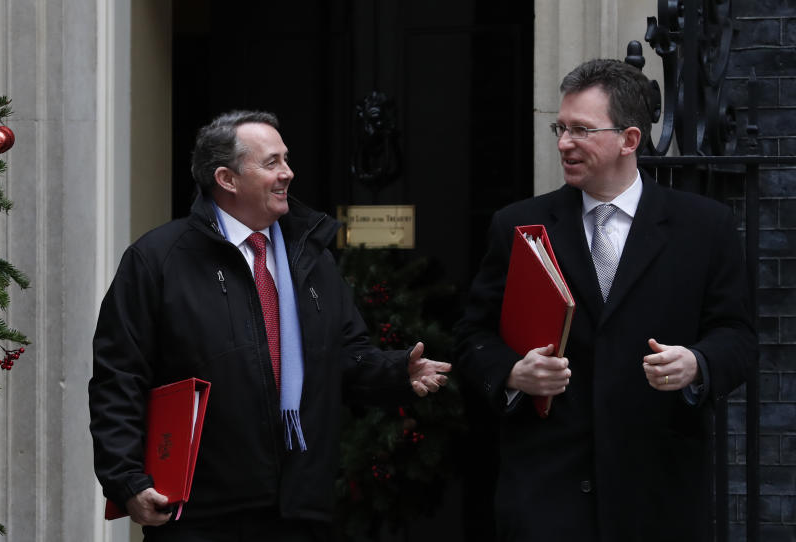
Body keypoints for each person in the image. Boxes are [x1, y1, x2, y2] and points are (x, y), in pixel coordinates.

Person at [89, 110, 451, 541]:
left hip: (299, 508)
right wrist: (128, 479)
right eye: (272, 163)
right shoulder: (158, 259)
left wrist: (395, 371)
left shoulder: (312, 258)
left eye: (286, 159)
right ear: (226, 179)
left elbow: (343, 354)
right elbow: (119, 376)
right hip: (202, 514)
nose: (288, 174)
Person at [454, 59, 756, 541]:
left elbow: (738, 337)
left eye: (580, 130)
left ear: (629, 140)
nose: (563, 143)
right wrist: (513, 372)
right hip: (547, 492)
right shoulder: (517, 224)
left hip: (656, 492)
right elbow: (473, 336)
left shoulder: (705, 226)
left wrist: (697, 363)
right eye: (560, 127)